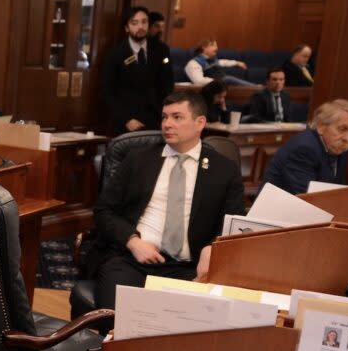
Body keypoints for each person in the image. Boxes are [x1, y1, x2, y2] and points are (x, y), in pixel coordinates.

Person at [91, 91, 245, 311]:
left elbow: (233, 223)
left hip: (188, 267)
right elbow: (103, 210)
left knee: (189, 325)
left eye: (177, 117)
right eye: (164, 117)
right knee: (114, 317)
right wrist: (133, 241)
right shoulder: (138, 159)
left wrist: (213, 248)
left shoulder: (224, 170)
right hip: (132, 260)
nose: (167, 124)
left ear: (200, 122)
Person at [262, 99, 348, 194]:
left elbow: (339, 189)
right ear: (321, 126)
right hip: (279, 211)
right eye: (342, 129)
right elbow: (306, 196)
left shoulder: (339, 149)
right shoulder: (304, 148)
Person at [101, 6, 174, 134]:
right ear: (126, 27)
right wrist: (126, 119)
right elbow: (108, 92)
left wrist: (165, 114)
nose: (140, 27)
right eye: (134, 23)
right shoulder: (116, 54)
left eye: (144, 22)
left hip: (156, 118)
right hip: (128, 121)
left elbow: (168, 82)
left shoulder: (161, 49)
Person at [184, 39, 252, 87]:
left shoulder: (213, 60)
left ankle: (254, 87)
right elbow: (199, 81)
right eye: (213, 45)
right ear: (204, 48)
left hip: (219, 87)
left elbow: (224, 62)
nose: (217, 48)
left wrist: (237, 63)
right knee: (227, 79)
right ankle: (255, 87)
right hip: (209, 89)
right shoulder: (193, 63)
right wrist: (218, 81)